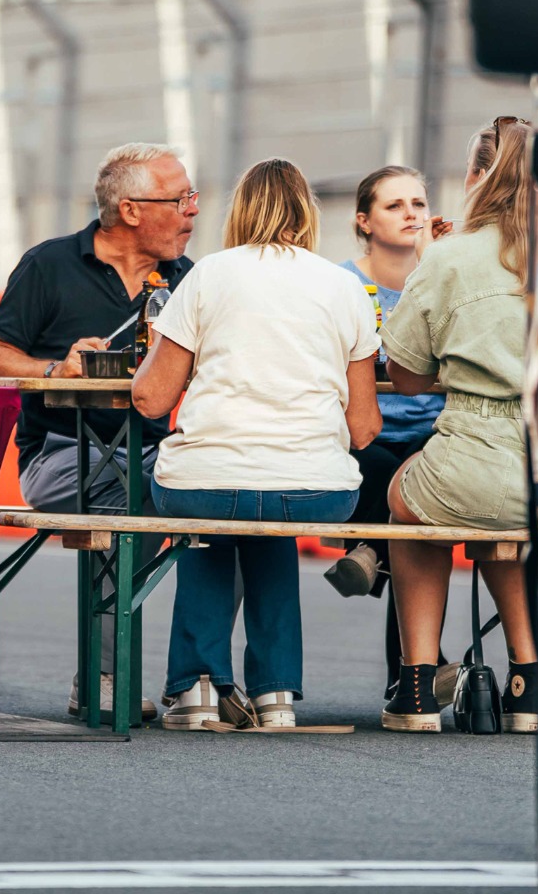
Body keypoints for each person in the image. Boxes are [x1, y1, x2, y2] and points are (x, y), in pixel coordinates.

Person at [132, 158, 381, 731]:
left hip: (207, 484)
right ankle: (275, 695)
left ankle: (196, 688)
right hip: (316, 490)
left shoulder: (209, 274)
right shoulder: (344, 286)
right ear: (307, 213)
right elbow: (365, 428)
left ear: (240, 211)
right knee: (269, 511)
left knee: (210, 514)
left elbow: (150, 398)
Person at [0, 142, 198, 721]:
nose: (193, 210)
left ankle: (200, 681)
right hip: (58, 455)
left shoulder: (188, 279)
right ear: (131, 210)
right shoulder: (49, 264)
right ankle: (105, 675)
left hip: (149, 454)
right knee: (144, 495)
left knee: (207, 488)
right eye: (180, 199)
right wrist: (56, 369)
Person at [378, 117, 538, 734]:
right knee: (499, 522)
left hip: (471, 447)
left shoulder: (449, 257)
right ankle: (527, 682)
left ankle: (418, 685)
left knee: (409, 501)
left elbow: (407, 377)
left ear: (477, 177)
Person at [328, 166, 453, 700]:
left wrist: (439, 264)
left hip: (433, 433)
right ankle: (416, 669)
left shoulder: (446, 275)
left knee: (418, 483)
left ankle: (370, 553)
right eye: (395, 205)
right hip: (363, 432)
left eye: (419, 204)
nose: (411, 214)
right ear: (364, 221)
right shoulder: (339, 282)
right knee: (384, 472)